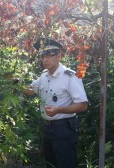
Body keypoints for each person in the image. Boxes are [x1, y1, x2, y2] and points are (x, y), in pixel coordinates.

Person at [23, 38, 88, 168]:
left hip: (64, 129)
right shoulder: (44, 75)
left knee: (66, 164)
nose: (45, 60)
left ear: (59, 56)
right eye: (42, 56)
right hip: (48, 128)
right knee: (50, 164)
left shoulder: (70, 76)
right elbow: (31, 91)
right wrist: (13, 82)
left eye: (49, 55)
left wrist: (58, 110)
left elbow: (83, 105)